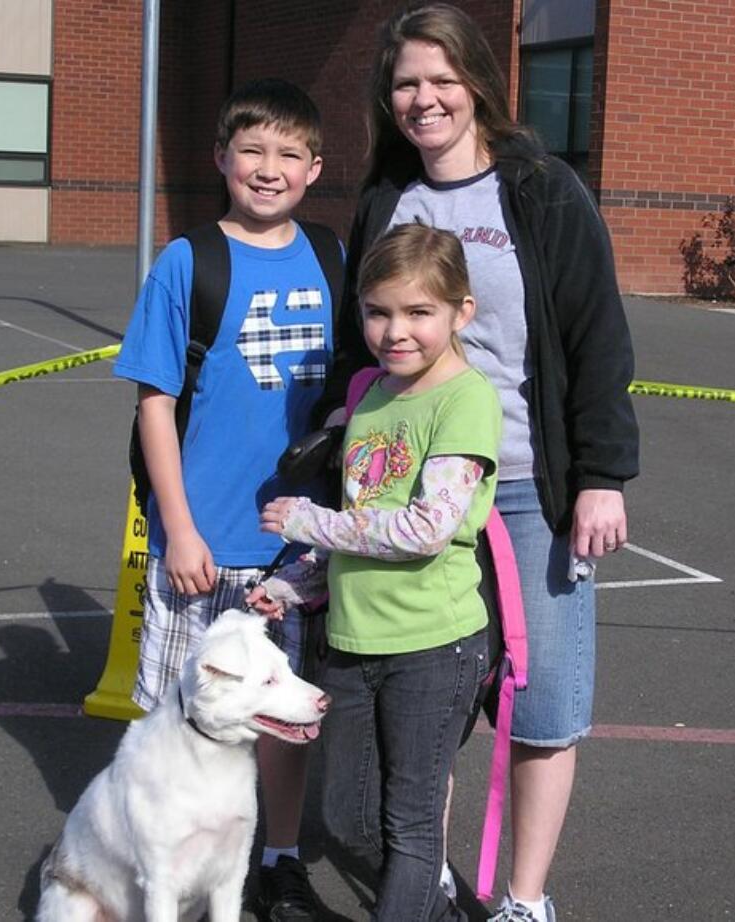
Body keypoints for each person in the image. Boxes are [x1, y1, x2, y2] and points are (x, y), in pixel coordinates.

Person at [312, 5, 641, 921]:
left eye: (439, 79)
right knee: (428, 718)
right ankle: (433, 880)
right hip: (412, 490)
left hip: (530, 486)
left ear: (478, 83)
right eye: (406, 83)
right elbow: (360, 342)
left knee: (541, 709)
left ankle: (523, 900)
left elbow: (597, 338)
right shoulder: (388, 197)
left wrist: (604, 476)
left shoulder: (540, 189)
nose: (423, 99)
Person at [112, 77, 339, 922]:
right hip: (203, 544)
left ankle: (277, 857)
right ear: (220, 158)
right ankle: (156, 860)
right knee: (180, 713)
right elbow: (153, 403)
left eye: (289, 153)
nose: (268, 168)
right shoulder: (188, 261)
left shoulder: (330, 255)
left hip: (298, 542)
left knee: (277, 710)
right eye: (251, 150)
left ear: (315, 167)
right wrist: (176, 528)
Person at [247, 223, 501, 922]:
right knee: (351, 820)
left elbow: (424, 529)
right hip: (355, 644)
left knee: (412, 829)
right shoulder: (372, 396)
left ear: (461, 312)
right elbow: (365, 518)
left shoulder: (464, 398)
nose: (396, 331)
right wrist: (294, 584)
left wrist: (307, 521)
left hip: (433, 645)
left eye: (420, 312)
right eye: (378, 311)